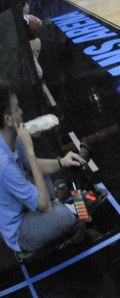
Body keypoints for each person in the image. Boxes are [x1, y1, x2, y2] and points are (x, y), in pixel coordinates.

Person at [1, 82, 89, 259]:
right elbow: (45, 205)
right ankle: (27, 248)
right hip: (20, 229)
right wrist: (30, 150)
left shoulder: (11, 138)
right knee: (63, 216)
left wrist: (62, 162)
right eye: (16, 109)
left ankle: (60, 205)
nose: (21, 112)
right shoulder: (3, 164)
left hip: (26, 206)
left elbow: (32, 166)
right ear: (8, 120)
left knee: (44, 179)